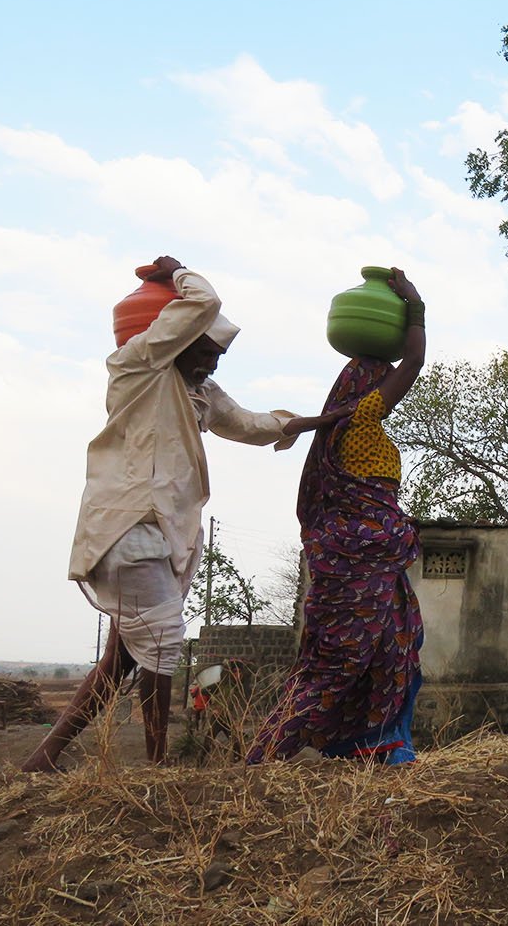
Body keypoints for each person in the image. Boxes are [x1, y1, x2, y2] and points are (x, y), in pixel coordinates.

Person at [22, 257, 337, 773]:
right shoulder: (138, 366)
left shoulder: (200, 393)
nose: (213, 364)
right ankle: (158, 766)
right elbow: (204, 303)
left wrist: (314, 422)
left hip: (163, 536)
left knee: (121, 659)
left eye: (219, 356)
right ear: (177, 335)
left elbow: (250, 424)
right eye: (207, 350)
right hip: (128, 527)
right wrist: (179, 272)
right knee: (166, 642)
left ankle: (44, 758)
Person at [246, 268, 426, 764]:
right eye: (379, 385)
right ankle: (263, 760)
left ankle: (376, 747)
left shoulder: (335, 434)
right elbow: (411, 361)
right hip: (362, 565)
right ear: (367, 392)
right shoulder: (364, 422)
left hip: (370, 568)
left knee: (394, 651)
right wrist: (414, 305)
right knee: (335, 669)